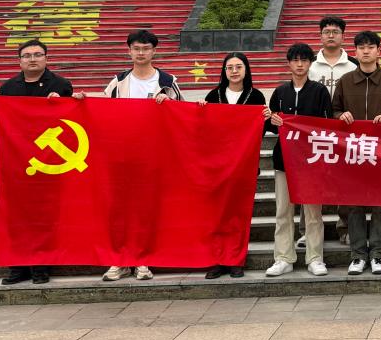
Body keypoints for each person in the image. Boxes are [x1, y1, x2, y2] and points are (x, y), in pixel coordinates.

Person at [0, 38, 80, 285]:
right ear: (19, 60)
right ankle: (18, 267)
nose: (32, 59)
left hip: (49, 163)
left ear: (46, 58)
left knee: (43, 217)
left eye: (38, 54)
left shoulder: (61, 84)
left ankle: (41, 266)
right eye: (27, 55)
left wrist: (64, 102)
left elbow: (72, 119)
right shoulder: (9, 87)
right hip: (17, 161)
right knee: (16, 217)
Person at [103, 29, 183, 282]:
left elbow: (183, 115)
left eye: (146, 48)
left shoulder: (167, 81)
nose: (141, 53)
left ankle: (142, 259)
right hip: (123, 155)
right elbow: (101, 113)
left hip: (154, 156)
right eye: (136, 48)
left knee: (146, 210)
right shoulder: (118, 82)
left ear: (154, 51)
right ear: (129, 51)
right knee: (120, 210)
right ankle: (120, 260)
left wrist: (169, 104)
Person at [334, 30, 381, 276]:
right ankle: (357, 255)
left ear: (378, 51)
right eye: (361, 47)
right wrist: (340, 115)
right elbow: (333, 111)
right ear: (355, 52)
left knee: (379, 205)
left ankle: (377, 254)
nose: (366, 51)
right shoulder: (345, 81)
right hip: (352, 152)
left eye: (370, 47)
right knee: (354, 205)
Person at [264, 43, 332, 278]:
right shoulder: (280, 92)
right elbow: (271, 125)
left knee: (313, 213)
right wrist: (272, 121)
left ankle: (315, 257)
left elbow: (327, 126)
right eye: (295, 60)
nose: (300, 64)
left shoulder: (320, 91)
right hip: (284, 160)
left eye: (304, 60)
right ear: (289, 63)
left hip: (311, 160)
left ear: (310, 63)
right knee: (283, 211)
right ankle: (283, 257)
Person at [198, 52, 267, 280]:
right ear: (224, 71)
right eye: (230, 67)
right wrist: (201, 110)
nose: (234, 71)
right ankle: (216, 260)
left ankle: (235, 259)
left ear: (246, 70)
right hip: (217, 166)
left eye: (239, 67)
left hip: (243, 166)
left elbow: (259, 132)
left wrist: (266, 117)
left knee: (239, 214)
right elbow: (203, 129)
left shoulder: (255, 96)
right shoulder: (213, 95)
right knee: (216, 214)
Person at [307, 15, 358, 249]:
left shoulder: (353, 64)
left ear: (343, 36)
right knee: (310, 183)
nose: (330, 35)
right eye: (326, 31)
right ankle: (307, 231)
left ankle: (345, 227)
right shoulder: (309, 64)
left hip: (345, 132)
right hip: (314, 133)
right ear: (320, 35)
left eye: (335, 32)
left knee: (346, 183)